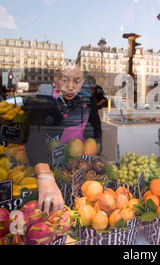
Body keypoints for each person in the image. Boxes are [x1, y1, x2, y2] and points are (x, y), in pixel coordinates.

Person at [25, 63, 85, 212]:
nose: (70, 87)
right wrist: (45, 177)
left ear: (83, 82)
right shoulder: (45, 100)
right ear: (56, 78)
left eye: (77, 81)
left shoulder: (85, 102)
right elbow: (34, 135)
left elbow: (95, 135)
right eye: (65, 80)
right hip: (46, 170)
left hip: (74, 173)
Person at [88, 84, 107, 151]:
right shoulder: (91, 89)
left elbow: (104, 99)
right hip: (93, 108)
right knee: (93, 121)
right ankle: (96, 134)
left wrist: (96, 105)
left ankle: (98, 135)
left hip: (96, 109)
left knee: (95, 121)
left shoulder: (98, 89)